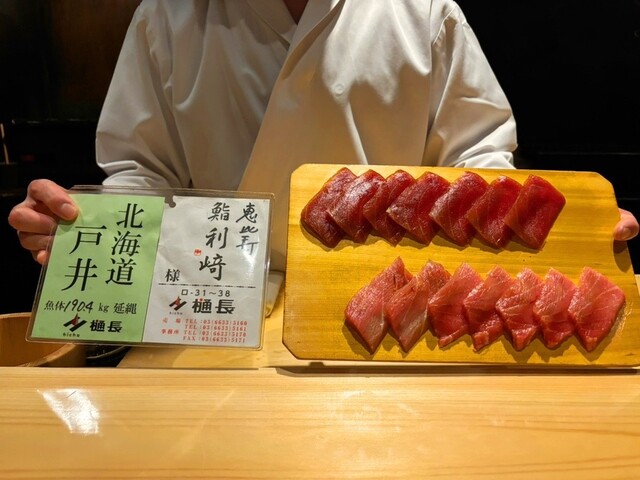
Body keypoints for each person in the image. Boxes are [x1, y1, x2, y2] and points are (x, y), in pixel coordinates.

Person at [8, 0, 639, 271]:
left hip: (390, 302)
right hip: (209, 303)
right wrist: (84, 232)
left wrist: (561, 233)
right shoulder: (168, 15)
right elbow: (142, 174)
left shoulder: (422, 10)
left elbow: (478, 162)